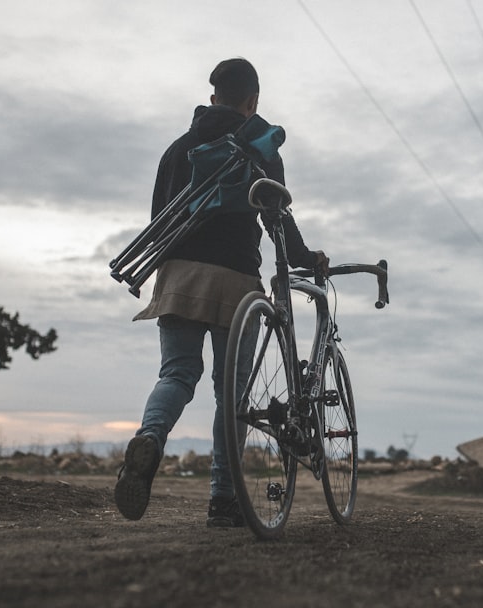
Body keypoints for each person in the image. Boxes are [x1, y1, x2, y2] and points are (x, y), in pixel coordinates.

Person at [114, 58, 328, 527]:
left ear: (212, 99)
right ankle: (223, 500)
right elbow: (279, 223)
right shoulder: (260, 146)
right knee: (231, 394)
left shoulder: (176, 149)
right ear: (253, 101)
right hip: (236, 283)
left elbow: (158, 218)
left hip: (178, 277)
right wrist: (306, 257)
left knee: (177, 373)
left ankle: (150, 438)